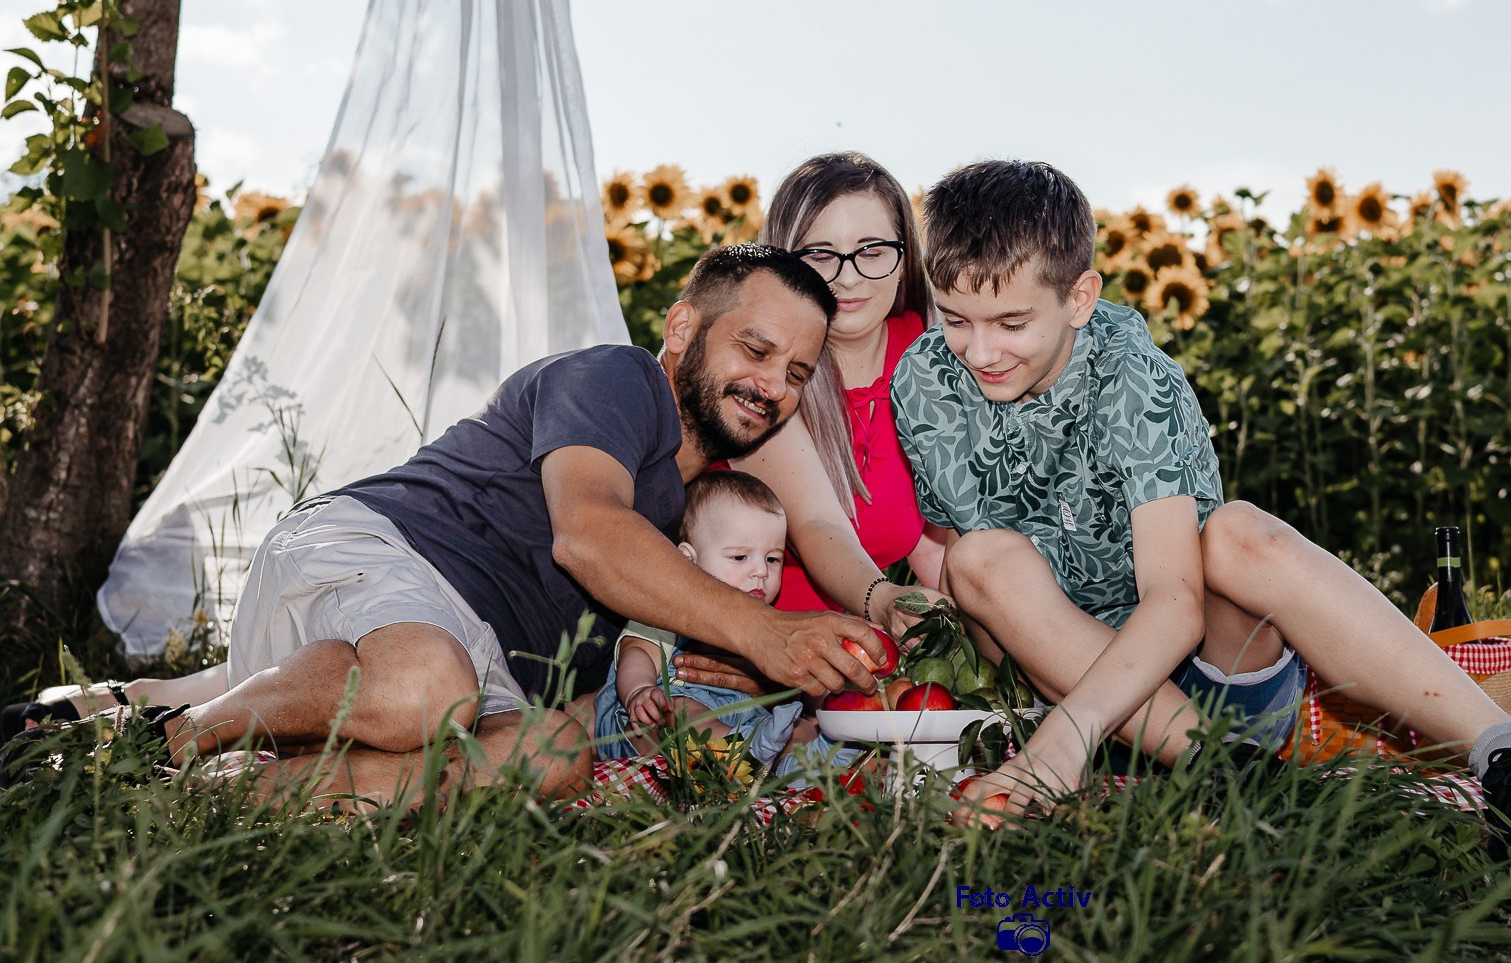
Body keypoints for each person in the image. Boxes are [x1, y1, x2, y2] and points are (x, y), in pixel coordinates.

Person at [893, 161, 1511, 892]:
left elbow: (1175, 602)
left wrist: (1066, 739)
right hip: (1060, 688)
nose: (979, 351)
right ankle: (1255, 789)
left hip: (1208, 688)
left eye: (1011, 323)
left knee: (1238, 531)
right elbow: (982, 596)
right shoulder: (924, 384)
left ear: (1080, 298)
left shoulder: (1132, 376)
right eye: (956, 320)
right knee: (976, 559)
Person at [9, 245, 883, 811]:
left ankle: (209, 791)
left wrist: (681, 705)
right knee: (428, 681)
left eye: (797, 371)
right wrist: (764, 632)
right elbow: (588, 533)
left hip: (471, 665)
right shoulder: (620, 382)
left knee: (547, 758)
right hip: (382, 550)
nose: (772, 383)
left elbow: (588, 692)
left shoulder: (705, 518)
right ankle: (169, 737)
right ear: (685, 325)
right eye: (756, 349)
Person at [670, 153, 943, 691]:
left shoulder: (936, 359)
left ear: (905, 255)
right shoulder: (767, 380)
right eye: (819, 254)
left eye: (871, 250)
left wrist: (960, 644)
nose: (847, 277)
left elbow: (946, 541)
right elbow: (819, 523)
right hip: (746, 651)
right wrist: (882, 601)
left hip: (862, 661)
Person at [592, 469, 851, 778]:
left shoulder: (775, 625)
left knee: (797, 728)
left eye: (772, 559)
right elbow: (637, 651)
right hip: (652, 715)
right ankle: (736, 755)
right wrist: (639, 691)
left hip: (748, 725)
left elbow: (803, 683)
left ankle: (798, 765)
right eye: (740, 558)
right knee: (682, 713)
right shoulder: (668, 607)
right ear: (688, 561)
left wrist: (814, 702)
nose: (760, 572)